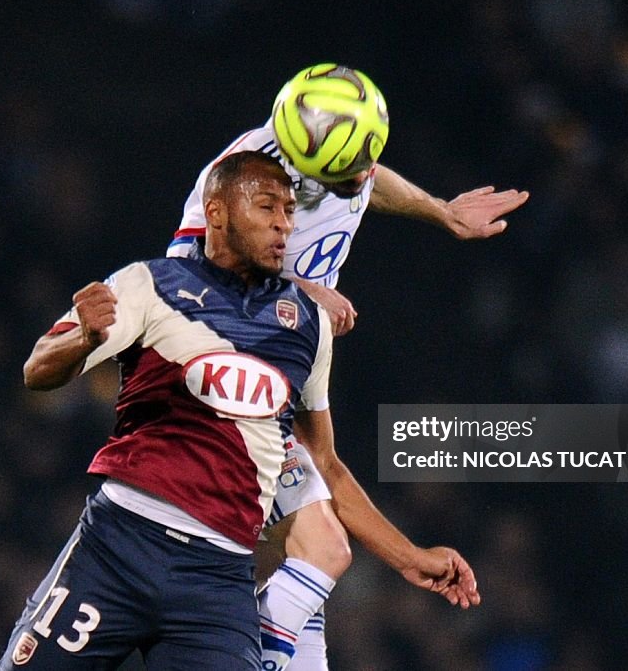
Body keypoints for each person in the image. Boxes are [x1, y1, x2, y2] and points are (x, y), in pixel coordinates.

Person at [169, 64, 511, 670]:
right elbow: (183, 286)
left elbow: (371, 181)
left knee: (301, 571)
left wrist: (440, 210)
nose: (361, 179)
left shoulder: (335, 150)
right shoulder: (239, 183)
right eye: (343, 175)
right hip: (219, 392)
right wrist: (297, 290)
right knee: (321, 547)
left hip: (282, 378)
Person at [0, 151, 334, 669]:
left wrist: (407, 555)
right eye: (267, 207)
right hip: (119, 547)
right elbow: (37, 370)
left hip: (218, 577)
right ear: (216, 211)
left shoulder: (309, 324)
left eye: (289, 211)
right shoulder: (149, 285)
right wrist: (84, 338)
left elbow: (321, 460)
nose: (283, 224)